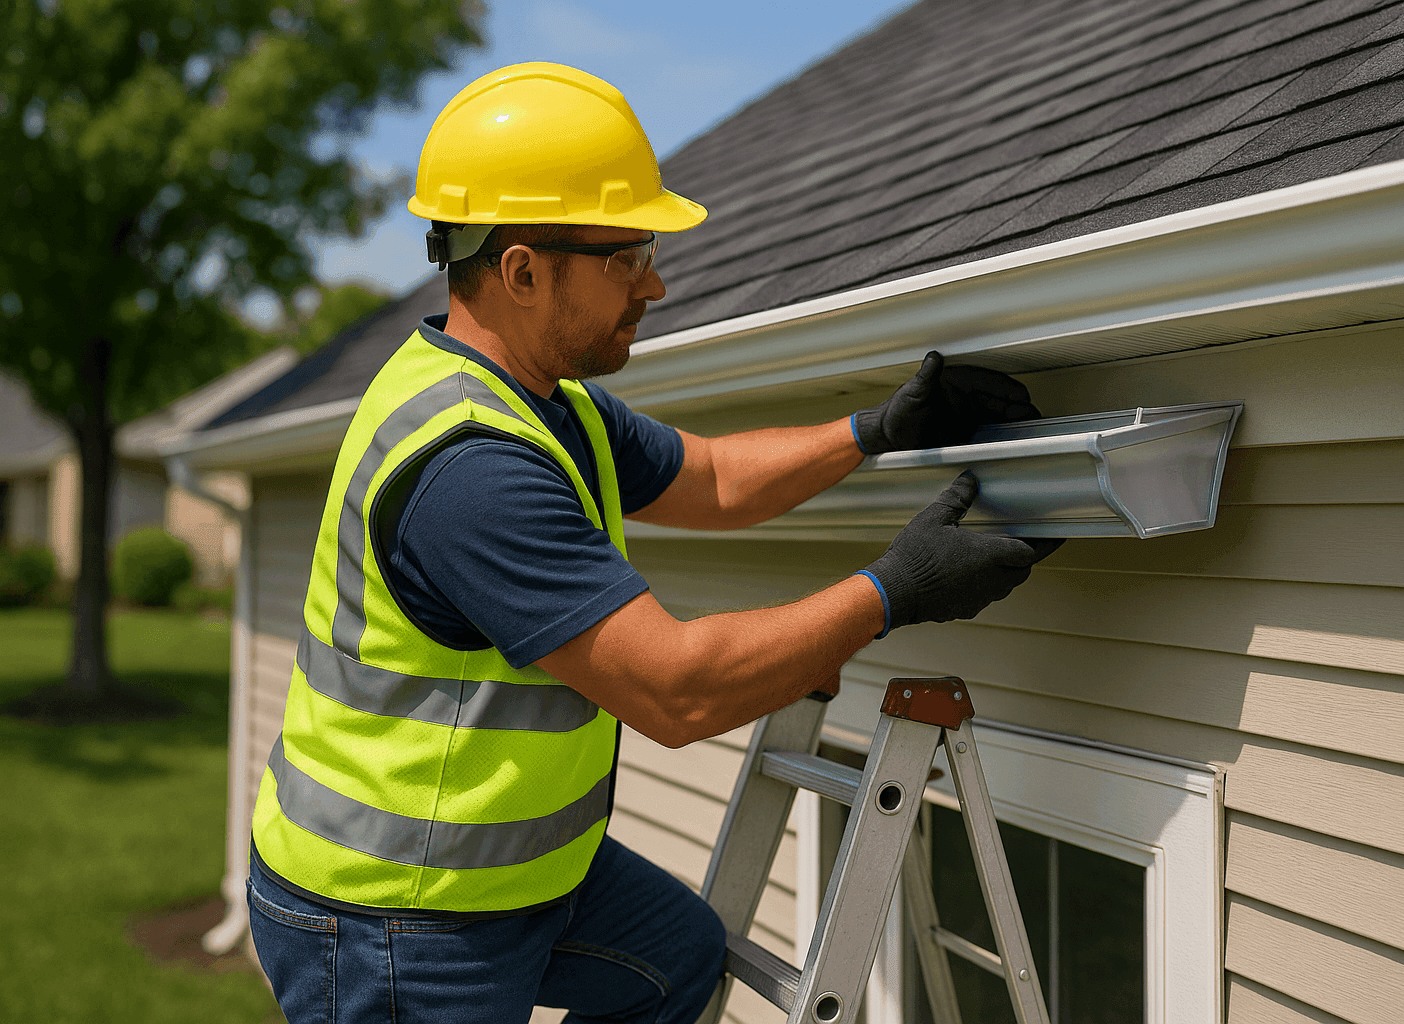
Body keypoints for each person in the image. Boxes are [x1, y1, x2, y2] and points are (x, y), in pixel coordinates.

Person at [246, 63, 1060, 1024]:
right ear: (521, 270)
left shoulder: (552, 408)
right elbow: (676, 688)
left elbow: (711, 478)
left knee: (674, 961)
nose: (655, 283)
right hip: (395, 919)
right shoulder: (471, 470)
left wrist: (874, 431)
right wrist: (896, 589)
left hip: (516, 882)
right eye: (625, 256)